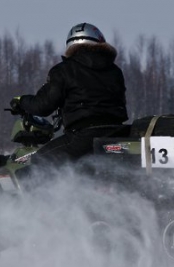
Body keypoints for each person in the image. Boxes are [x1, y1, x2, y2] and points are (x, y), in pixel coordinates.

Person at [9, 22, 129, 173]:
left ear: (71, 45)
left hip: (84, 136)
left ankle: (41, 197)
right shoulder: (115, 71)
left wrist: (21, 101)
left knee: (38, 162)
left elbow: (43, 105)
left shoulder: (64, 70)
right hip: (118, 133)